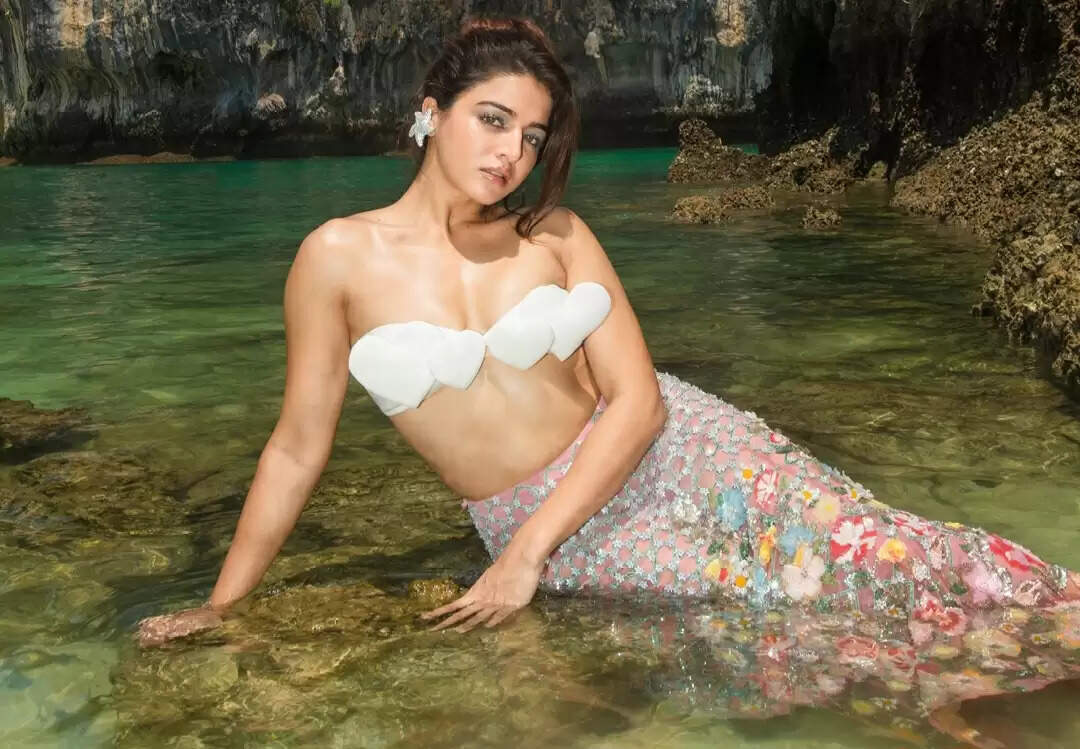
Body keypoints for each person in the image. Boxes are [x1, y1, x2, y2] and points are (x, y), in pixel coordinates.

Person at [138, 16, 1080, 744]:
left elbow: (640, 400)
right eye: (492, 120)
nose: (510, 154)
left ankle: (1018, 660)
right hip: (562, 521)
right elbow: (297, 448)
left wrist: (525, 558)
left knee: (880, 552)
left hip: (677, 453)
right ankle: (949, 697)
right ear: (432, 112)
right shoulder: (336, 258)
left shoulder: (555, 235)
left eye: (532, 136)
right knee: (772, 616)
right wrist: (222, 606)